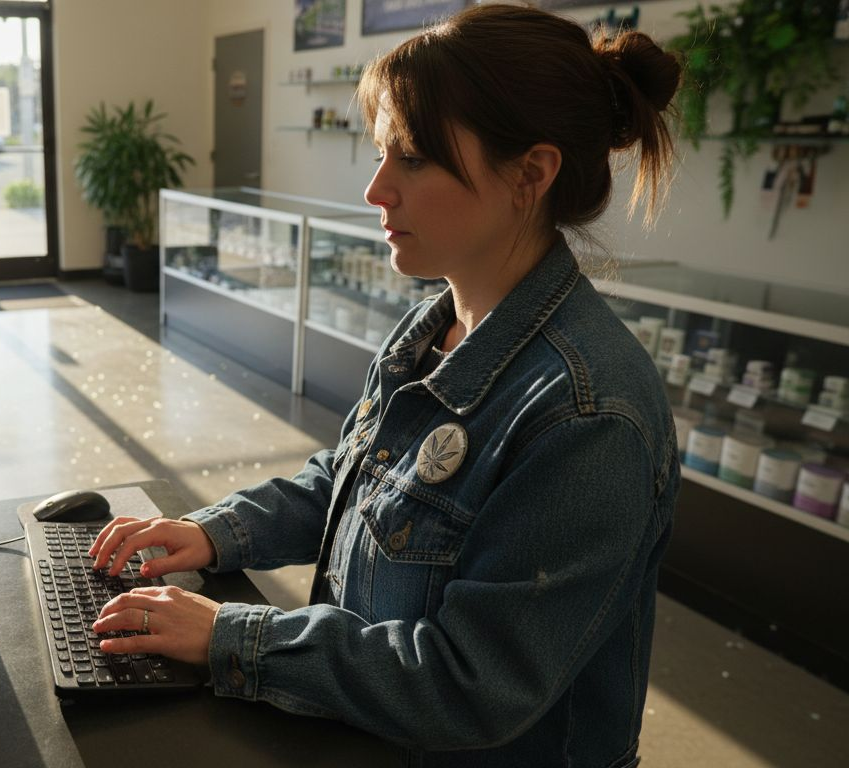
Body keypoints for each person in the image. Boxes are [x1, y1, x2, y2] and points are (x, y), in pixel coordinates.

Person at [89, 4, 681, 765]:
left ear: (529, 174)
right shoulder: (432, 329)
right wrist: (214, 532)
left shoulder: (586, 417)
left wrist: (230, 636)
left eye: (412, 159)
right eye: (380, 154)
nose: (376, 190)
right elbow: (352, 482)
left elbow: (470, 684)